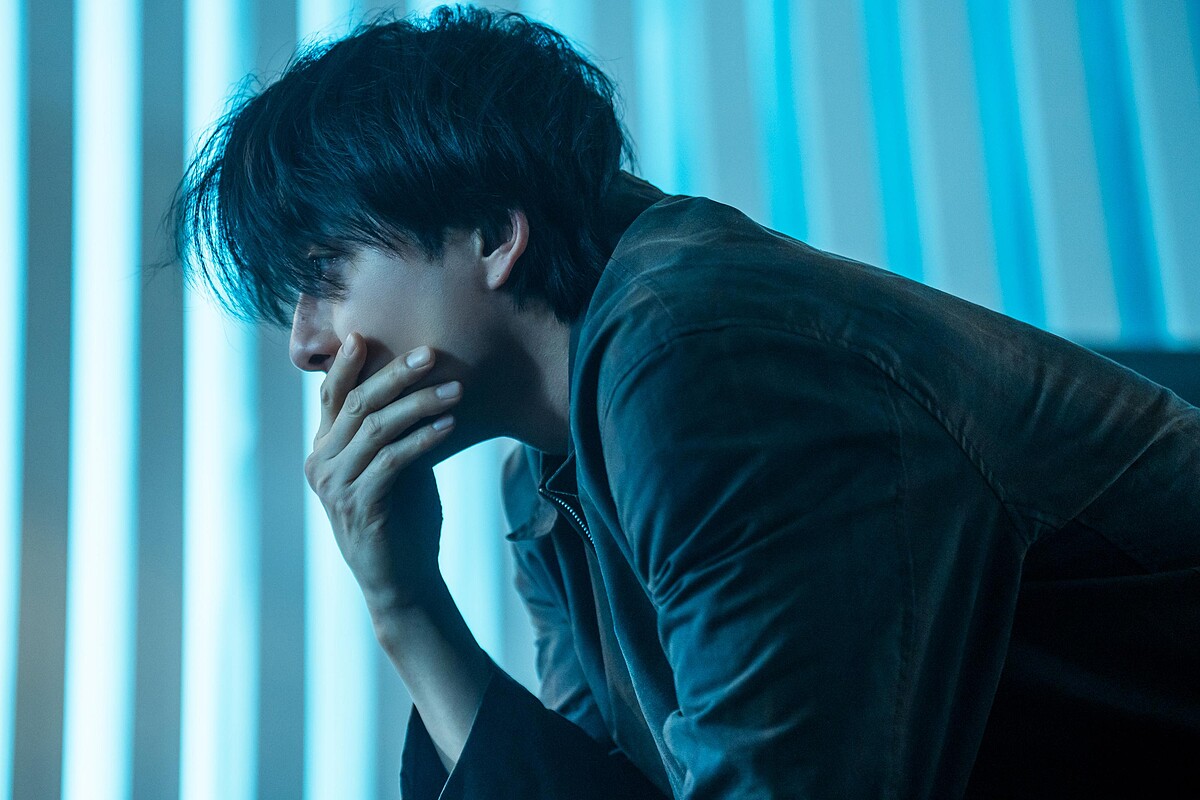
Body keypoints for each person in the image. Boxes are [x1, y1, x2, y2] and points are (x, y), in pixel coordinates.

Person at [173, 5, 1200, 798]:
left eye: (323, 273)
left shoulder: (695, 354)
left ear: (491, 231)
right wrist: (406, 604)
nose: (306, 345)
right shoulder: (549, 478)